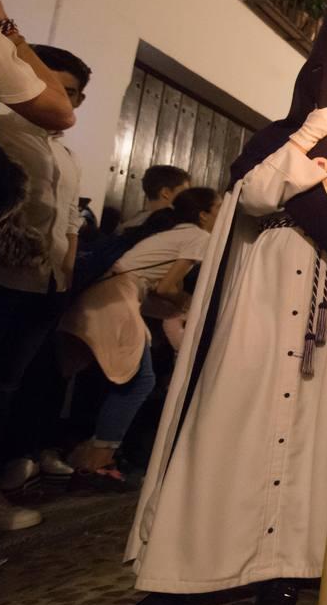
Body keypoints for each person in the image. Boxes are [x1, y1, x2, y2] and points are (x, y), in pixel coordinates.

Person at [113, 0, 327, 605]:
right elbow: (251, 198)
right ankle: (178, 572)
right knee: (228, 424)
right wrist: (304, 139)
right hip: (266, 302)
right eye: (323, 83)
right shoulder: (276, 138)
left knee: (316, 432)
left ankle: (286, 563)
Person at [56, 187, 220, 488]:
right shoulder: (200, 237)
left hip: (106, 292)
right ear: (203, 214)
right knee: (140, 380)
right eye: (219, 206)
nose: (223, 212)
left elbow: (154, 292)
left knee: (81, 376)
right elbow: (165, 288)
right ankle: (96, 462)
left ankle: (73, 453)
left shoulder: (176, 234)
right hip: (116, 297)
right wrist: (191, 304)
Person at [0, 42, 90, 529]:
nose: (62, 99)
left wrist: (66, 277)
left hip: (45, 286)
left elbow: (70, 221)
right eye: (55, 88)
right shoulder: (2, 130)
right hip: (2, 277)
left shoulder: (70, 156)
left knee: (8, 387)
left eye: (72, 93)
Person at [0, 0, 75, 132]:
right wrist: (7, 29)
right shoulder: (5, 132)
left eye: (70, 92)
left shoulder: (65, 153)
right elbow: (62, 116)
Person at [121, 165, 192, 229]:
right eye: (185, 191)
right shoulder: (172, 227)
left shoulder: (129, 224)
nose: (189, 196)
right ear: (166, 193)